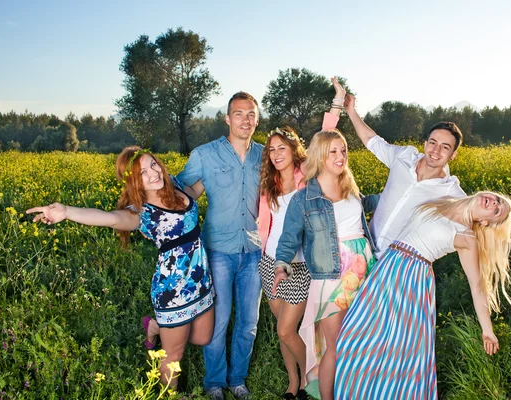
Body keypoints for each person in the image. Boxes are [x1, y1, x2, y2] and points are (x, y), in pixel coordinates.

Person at [26, 146, 214, 388]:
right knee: (173, 355)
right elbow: (110, 218)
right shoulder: (141, 213)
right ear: (134, 181)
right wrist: (68, 212)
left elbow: (193, 192)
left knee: (202, 337)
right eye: (143, 172)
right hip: (173, 290)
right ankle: (168, 393)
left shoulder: (174, 185)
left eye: (153, 165)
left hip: (201, 279)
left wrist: (216, 173)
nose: (153, 173)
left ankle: (156, 326)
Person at [335, 191, 511, 399]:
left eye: (496, 211)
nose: (494, 203)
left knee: (399, 351)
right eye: (498, 200)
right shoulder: (446, 200)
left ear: (485, 222)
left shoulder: (467, 237)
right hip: (387, 268)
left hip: (412, 279)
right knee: (354, 335)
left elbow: (477, 285)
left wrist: (487, 330)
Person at [340, 90, 511, 258]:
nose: (436, 151)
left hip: (393, 261)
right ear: (425, 143)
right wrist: (351, 111)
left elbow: (480, 214)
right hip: (363, 249)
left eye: (445, 147)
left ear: (453, 154)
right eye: (433, 143)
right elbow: (372, 140)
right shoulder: (403, 157)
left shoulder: (449, 189)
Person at [273, 129, 378, 400]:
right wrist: (281, 266)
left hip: (363, 268)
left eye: (343, 150)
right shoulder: (303, 198)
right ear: (320, 154)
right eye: (333, 151)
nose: (340, 156)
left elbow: (370, 208)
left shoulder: (350, 185)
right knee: (335, 346)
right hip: (331, 274)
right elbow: (288, 238)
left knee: (359, 340)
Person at [257, 78, 344, 400]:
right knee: (284, 331)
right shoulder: (267, 182)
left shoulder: (306, 174)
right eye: (271, 150)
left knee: (286, 330)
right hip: (269, 262)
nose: (277, 154)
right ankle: (293, 384)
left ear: (294, 150)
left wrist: (337, 102)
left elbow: (326, 132)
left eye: (282, 147)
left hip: (300, 265)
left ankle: (311, 378)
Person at [177, 92, 262, 400]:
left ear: (257, 118)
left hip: (254, 251)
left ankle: (237, 379)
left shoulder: (264, 155)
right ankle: (214, 383)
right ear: (227, 118)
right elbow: (182, 190)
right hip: (217, 251)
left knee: (249, 323)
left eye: (251, 114)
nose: (245, 120)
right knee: (218, 320)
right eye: (239, 114)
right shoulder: (205, 154)